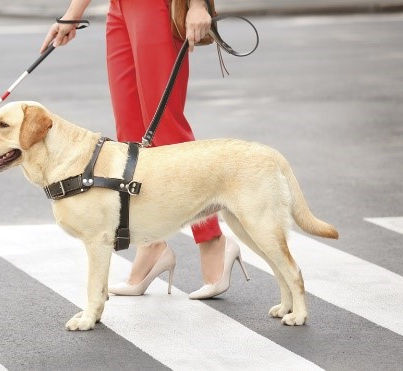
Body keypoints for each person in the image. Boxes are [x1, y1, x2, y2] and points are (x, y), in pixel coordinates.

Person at [40, 0, 248, 299]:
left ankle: (212, 239)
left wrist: (199, 5)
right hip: (119, 9)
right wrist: (72, 16)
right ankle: (151, 245)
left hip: (156, 8)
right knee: (130, 139)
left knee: (167, 131)